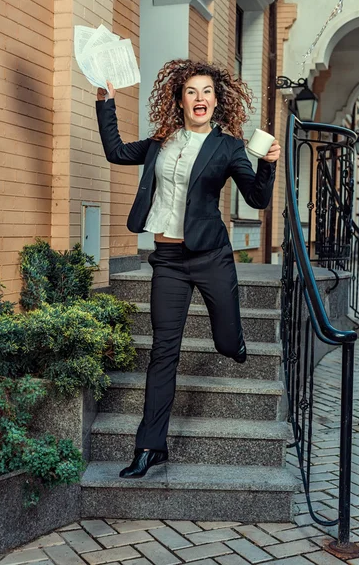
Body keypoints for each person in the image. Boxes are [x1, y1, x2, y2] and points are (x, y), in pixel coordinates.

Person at [96, 59, 280, 479]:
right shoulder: (162, 142)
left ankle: (233, 344)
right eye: (192, 92)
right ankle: (149, 447)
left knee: (227, 338)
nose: (200, 98)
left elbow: (256, 200)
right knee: (164, 352)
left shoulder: (229, 146)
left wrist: (267, 162)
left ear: (217, 101)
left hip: (212, 257)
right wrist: (105, 102)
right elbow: (116, 151)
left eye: (207, 92)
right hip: (169, 262)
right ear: (179, 99)